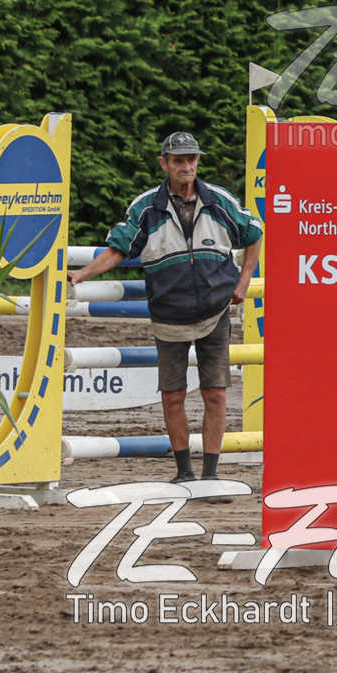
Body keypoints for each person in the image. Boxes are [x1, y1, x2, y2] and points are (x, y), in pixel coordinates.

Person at [70, 131, 263, 484]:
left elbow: (254, 233)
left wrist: (244, 281)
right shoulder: (146, 208)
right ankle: (183, 472)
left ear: (198, 161)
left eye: (191, 159)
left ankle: (211, 475)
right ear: (164, 164)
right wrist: (82, 274)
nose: (186, 166)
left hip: (215, 311)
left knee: (216, 394)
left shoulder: (220, 201)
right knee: (173, 396)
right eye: (178, 160)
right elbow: (117, 250)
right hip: (168, 315)